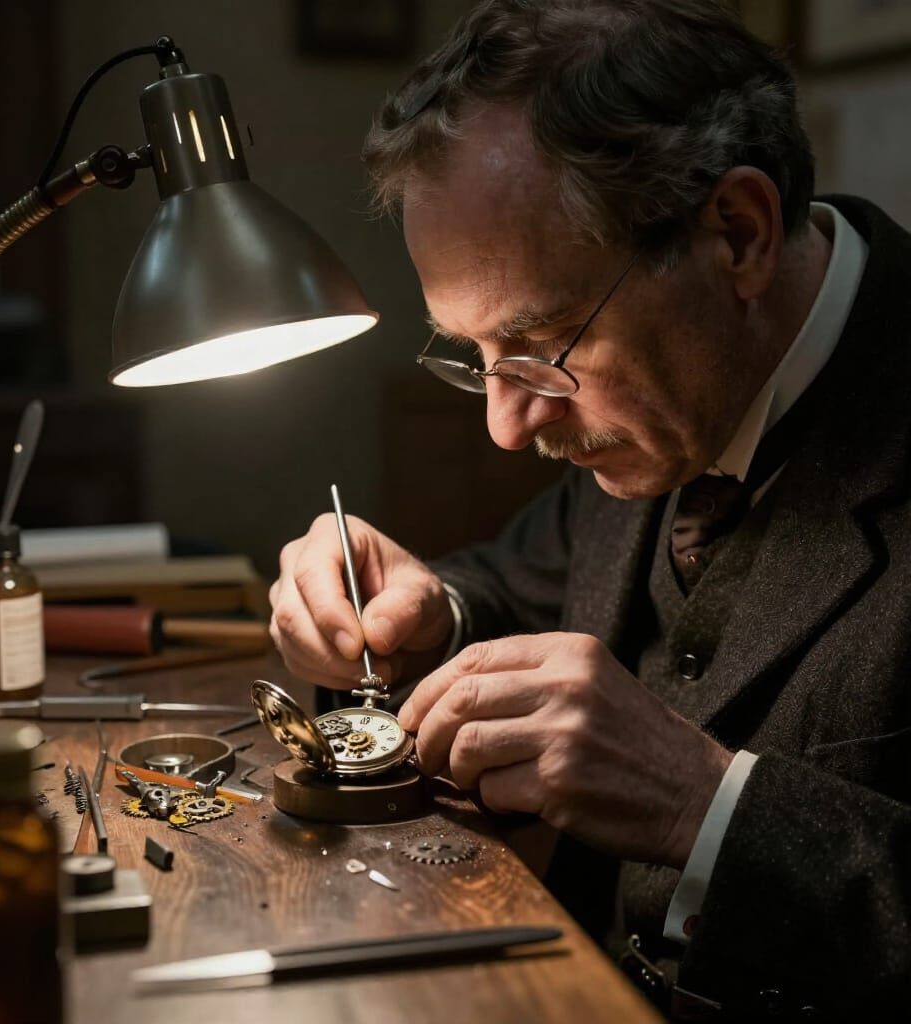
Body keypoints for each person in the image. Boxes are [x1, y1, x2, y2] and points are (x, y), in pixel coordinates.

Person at [269, 1, 911, 1018]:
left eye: (538, 345)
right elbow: (521, 587)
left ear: (736, 234)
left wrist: (707, 807)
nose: (506, 426)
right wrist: (427, 614)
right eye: (472, 354)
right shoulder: (662, 400)